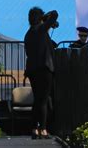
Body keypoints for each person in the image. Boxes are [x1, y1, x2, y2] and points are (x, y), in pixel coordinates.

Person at [24, 7, 58, 139]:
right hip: (44, 69)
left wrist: (43, 19)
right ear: (40, 18)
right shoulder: (41, 29)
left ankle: (34, 128)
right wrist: (46, 17)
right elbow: (55, 14)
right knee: (43, 100)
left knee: (37, 100)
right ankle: (43, 129)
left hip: (32, 70)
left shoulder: (28, 34)